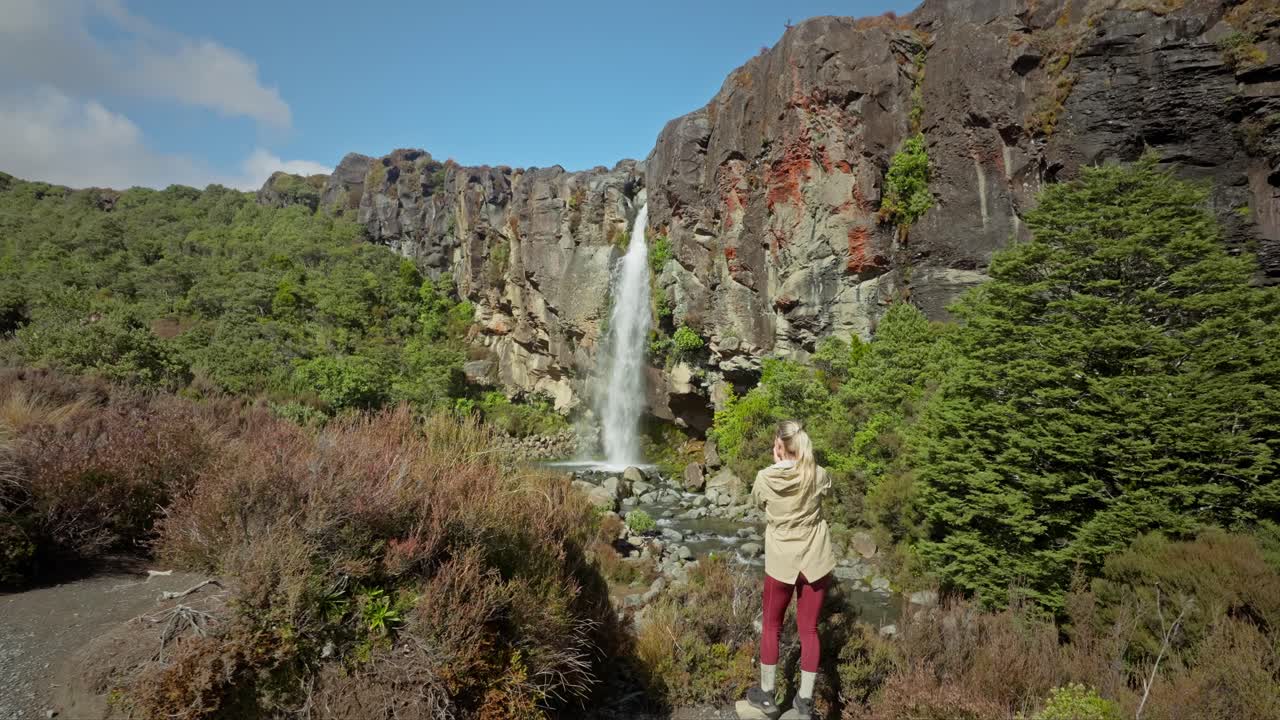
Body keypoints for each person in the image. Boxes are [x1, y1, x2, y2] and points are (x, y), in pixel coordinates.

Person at [743, 420, 836, 719]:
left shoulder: (764, 478)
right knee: (809, 629)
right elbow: (828, 493)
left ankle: (768, 697)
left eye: (775, 445)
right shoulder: (818, 475)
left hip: (781, 561)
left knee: (772, 625)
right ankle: (804, 702)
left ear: (781, 448)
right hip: (815, 560)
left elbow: (759, 503)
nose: (773, 449)